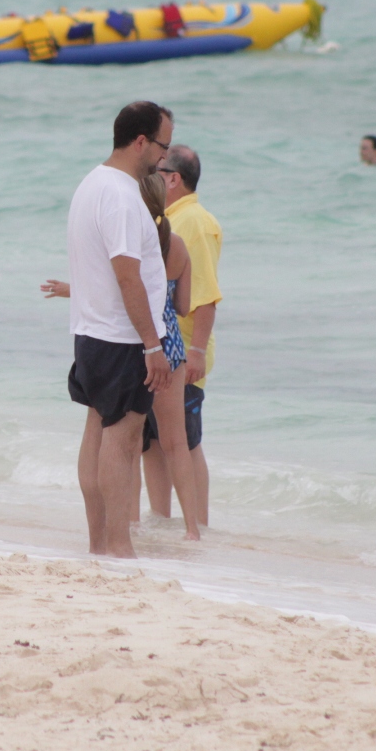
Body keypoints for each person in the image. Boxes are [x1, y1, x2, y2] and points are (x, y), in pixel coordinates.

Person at [40, 170, 201, 541]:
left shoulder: (134, 236)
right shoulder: (176, 244)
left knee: (127, 439)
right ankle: (192, 529)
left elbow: (119, 285)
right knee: (174, 442)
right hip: (169, 343)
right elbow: (183, 304)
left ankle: (127, 522)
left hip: (134, 338)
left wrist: (73, 289)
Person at [63, 101, 175, 558]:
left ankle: (99, 544)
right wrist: (152, 343)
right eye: (162, 145)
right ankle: (117, 544)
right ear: (141, 141)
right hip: (120, 336)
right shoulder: (124, 196)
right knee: (123, 438)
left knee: (97, 432)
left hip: (91, 332)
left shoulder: (92, 183)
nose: (164, 159)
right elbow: (128, 275)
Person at [146, 145, 220, 526]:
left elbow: (206, 295)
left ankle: (199, 527)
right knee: (154, 443)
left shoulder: (194, 222)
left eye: (157, 170)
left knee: (186, 444)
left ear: (173, 178)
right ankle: (160, 521)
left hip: (182, 351)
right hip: (160, 347)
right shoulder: (167, 218)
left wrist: (195, 351)